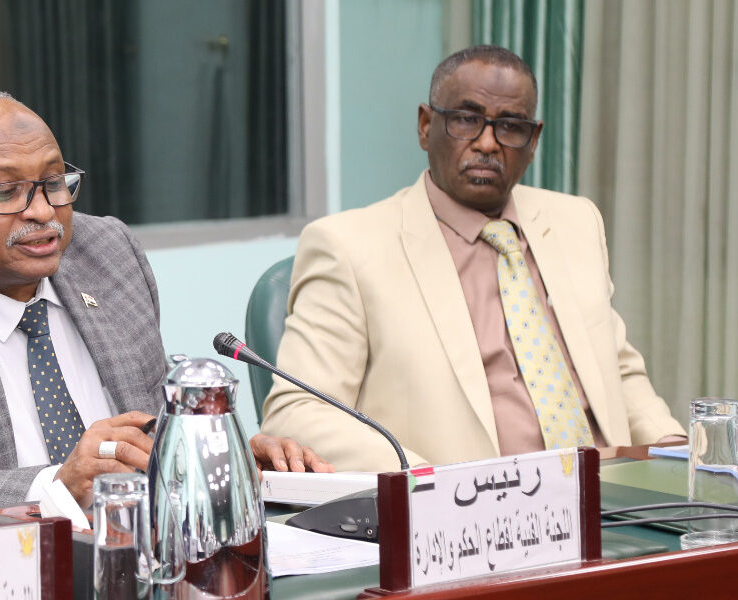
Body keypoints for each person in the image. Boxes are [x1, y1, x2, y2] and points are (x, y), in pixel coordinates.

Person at [0, 90, 329, 539]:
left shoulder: (108, 254)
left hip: (135, 553)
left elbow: (150, 423)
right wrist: (55, 488)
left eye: (54, 182)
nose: (42, 211)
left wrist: (220, 457)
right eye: (6, 192)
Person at [260, 46, 685, 472]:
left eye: (510, 126)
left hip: (613, 490)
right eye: (466, 119)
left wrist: (675, 454)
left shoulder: (576, 221)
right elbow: (298, 411)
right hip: (471, 502)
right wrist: (424, 481)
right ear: (426, 126)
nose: (487, 143)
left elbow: (617, 371)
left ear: (533, 141)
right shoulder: (349, 247)